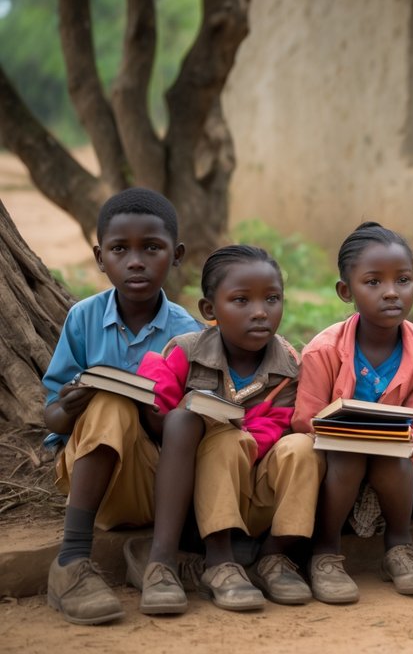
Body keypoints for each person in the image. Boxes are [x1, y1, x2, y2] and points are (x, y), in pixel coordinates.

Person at [41, 187, 201, 626]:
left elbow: (189, 433)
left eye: (152, 248)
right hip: (94, 482)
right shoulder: (84, 318)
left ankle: (156, 558)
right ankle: (71, 562)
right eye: (119, 249)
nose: (136, 261)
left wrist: (155, 418)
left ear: (176, 254)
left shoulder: (189, 335)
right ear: (99, 257)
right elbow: (50, 417)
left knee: (157, 412)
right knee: (109, 401)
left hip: (156, 487)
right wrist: (71, 406)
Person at [135, 246, 317, 613]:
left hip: (254, 491)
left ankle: (275, 557)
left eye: (272, 299)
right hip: (193, 497)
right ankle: (219, 562)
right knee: (218, 437)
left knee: (302, 446)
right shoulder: (186, 353)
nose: (261, 312)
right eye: (241, 300)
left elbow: (279, 427)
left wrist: (239, 428)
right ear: (209, 310)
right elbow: (158, 410)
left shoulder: (289, 369)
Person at [294, 222, 413, 603]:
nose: (391, 292)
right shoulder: (323, 350)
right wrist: (341, 439)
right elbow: (304, 422)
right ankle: (325, 553)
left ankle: (399, 547)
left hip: (396, 463)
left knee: (393, 452)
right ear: (347, 291)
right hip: (336, 464)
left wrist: (404, 445)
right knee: (348, 453)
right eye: (373, 282)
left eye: (403, 280)